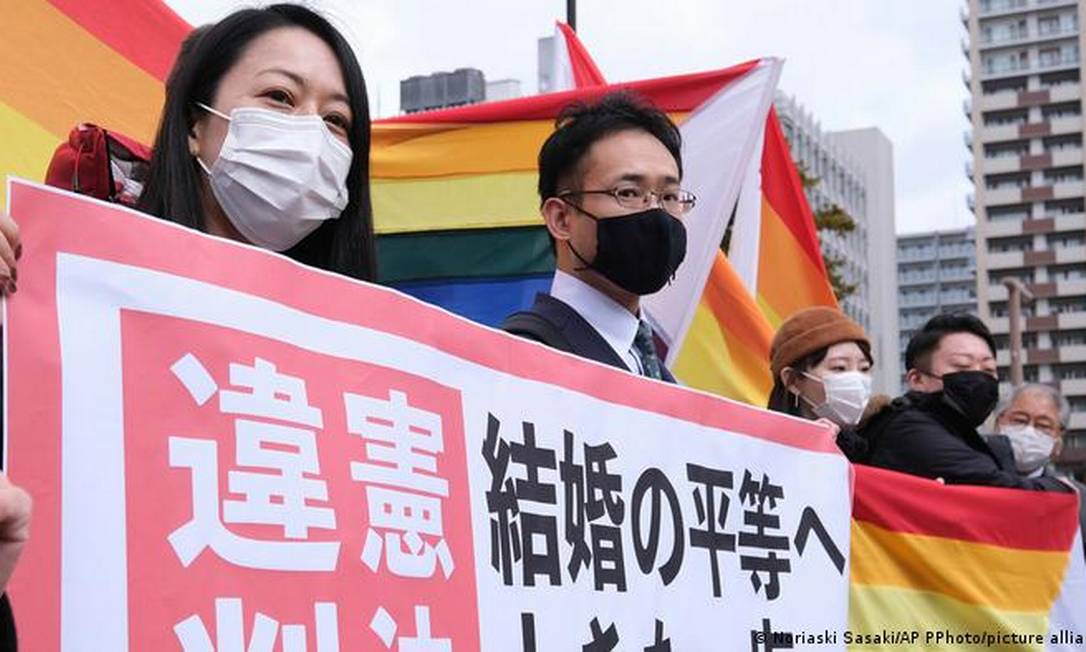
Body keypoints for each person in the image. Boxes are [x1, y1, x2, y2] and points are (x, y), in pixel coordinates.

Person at [0, 3, 378, 292]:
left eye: (335, 119)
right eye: (279, 96)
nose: (312, 134)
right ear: (194, 124)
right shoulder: (66, 267)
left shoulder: (374, 344)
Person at [501, 92, 692, 382]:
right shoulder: (520, 363)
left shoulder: (663, 377)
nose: (655, 211)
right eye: (628, 193)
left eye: (669, 196)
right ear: (561, 218)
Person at [863, 313, 1072, 492]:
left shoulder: (956, 432)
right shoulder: (910, 428)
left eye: (988, 370)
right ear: (917, 380)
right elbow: (1001, 491)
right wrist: (1064, 489)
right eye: (962, 366)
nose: (978, 378)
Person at [766, 306, 884, 460]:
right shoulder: (759, 447)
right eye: (839, 368)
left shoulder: (874, 446)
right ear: (792, 380)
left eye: (864, 369)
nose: (856, 380)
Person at [989, 383, 1086, 538]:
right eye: (1020, 420)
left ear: (1058, 441)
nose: (1029, 432)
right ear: (998, 424)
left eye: (1043, 425)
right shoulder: (967, 482)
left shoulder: (1077, 498)